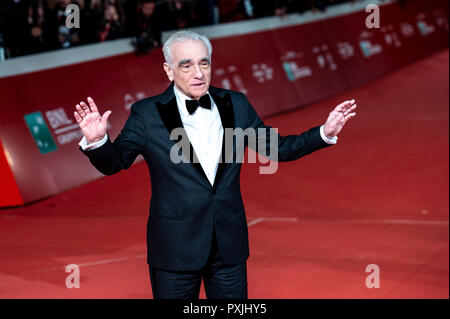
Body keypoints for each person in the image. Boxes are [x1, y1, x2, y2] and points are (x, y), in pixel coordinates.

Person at [74, 30, 357, 299]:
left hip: (228, 247)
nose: (198, 73)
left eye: (204, 63)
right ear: (169, 71)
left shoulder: (236, 104)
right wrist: (98, 142)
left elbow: (277, 148)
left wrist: (325, 132)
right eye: (186, 66)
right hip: (174, 248)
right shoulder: (146, 114)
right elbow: (116, 162)